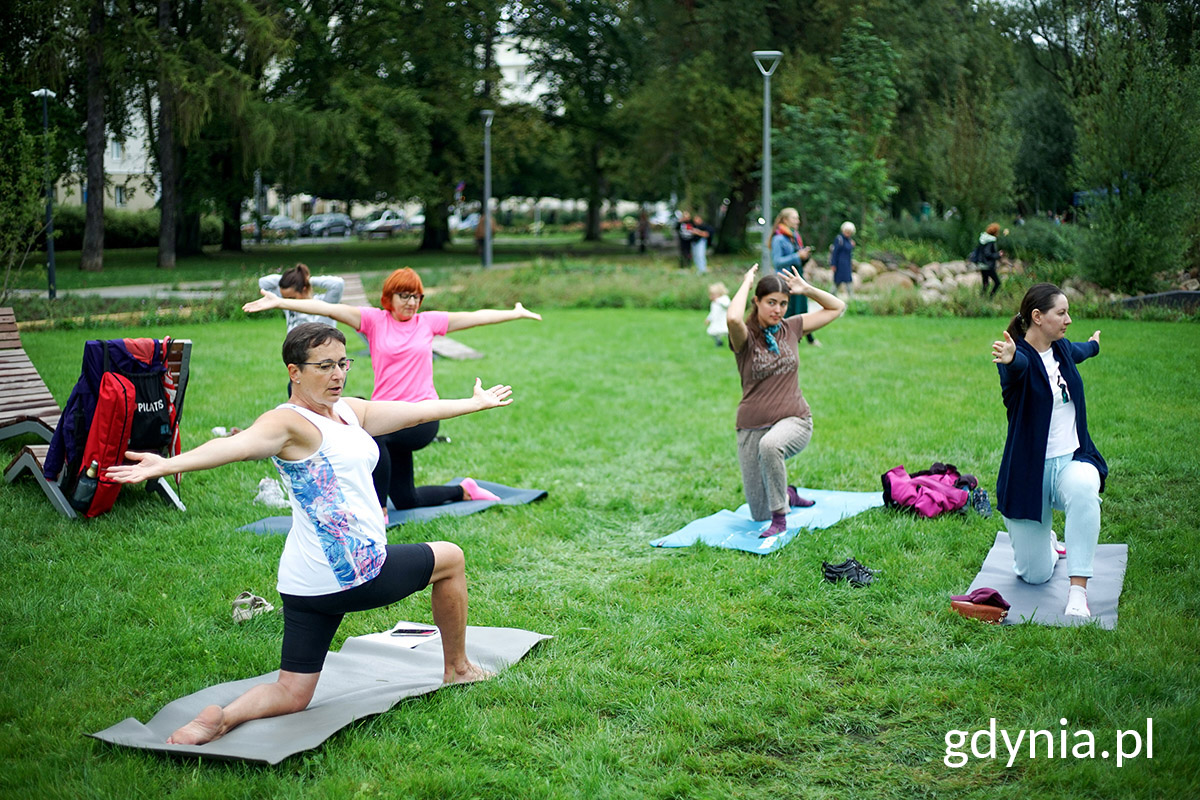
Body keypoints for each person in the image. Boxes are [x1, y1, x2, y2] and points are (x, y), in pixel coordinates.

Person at [107, 323, 510, 745]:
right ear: (294, 372)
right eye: (324, 366)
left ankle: (221, 718)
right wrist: (167, 465)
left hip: (303, 584)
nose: (337, 374)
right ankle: (458, 669)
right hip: (356, 573)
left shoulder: (351, 412)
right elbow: (238, 446)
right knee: (451, 558)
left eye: (342, 363)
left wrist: (473, 403)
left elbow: (417, 412)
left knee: (292, 692)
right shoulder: (287, 422)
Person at [243, 267, 541, 517]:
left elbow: (474, 316)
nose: (412, 302)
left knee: (372, 434)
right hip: (387, 414)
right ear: (390, 297)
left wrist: (513, 313)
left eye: (416, 296)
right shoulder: (373, 321)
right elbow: (327, 308)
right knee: (408, 499)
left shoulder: (428, 322)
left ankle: (378, 511)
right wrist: (282, 303)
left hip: (422, 418)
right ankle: (464, 490)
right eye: (405, 296)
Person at [991, 283, 1105, 618]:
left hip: (1071, 463)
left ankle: (1078, 592)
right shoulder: (1019, 359)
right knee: (1034, 575)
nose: (1068, 319)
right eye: (1062, 312)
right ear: (1038, 317)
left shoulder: (1063, 350)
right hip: (1028, 474)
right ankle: (1050, 545)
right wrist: (1011, 360)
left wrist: (1095, 345)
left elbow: (1081, 350)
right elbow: (1018, 369)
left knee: (1086, 486)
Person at [727, 263, 846, 537]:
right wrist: (746, 281)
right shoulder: (745, 338)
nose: (778, 310)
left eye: (783, 303)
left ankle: (780, 518)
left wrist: (806, 289)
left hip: (795, 419)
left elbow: (837, 307)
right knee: (758, 512)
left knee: (771, 446)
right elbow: (733, 319)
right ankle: (787, 493)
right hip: (751, 426)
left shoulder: (792, 328)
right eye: (771, 303)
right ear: (757, 302)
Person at [770, 207, 819, 346]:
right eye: (794, 218)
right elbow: (777, 262)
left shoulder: (794, 236)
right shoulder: (778, 238)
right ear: (785, 220)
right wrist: (797, 256)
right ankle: (781, 339)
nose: (798, 221)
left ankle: (808, 338)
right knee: (788, 311)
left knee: (802, 308)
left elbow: (797, 259)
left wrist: (804, 256)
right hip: (786, 280)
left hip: (797, 277)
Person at [258, 264, 345, 332]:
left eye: (292, 297)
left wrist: (307, 281)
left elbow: (338, 284)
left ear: (304, 289)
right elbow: (263, 282)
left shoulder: (326, 303)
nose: (287, 301)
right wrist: (291, 278)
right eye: (285, 298)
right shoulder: (287, 304)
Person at [973, 222, 1007, 297]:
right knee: (997, 283)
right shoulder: (990, 241)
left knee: (985, 283)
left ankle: (982, 298)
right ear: (995, 232)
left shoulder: (983, 239)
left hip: (981, 264)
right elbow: (987, 254)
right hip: (988, 265)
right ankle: (990, 298)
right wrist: (998, 255)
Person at [830, 221, 856, 299]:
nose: (848, 233)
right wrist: (833, 264)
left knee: (848, 281)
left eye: (849, 232)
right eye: (846, 231)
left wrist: (852, 246)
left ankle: (852, 298)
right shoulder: (839, 239)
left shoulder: (849, 240)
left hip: (847, 264)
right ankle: (831, 296)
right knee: (837, 282)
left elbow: (849, 252)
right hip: (839, 264)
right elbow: (835, 252)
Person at [704, 282, 730, 347]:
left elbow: (727, 305)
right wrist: (708, 318)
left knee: (727, 332)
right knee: (711, 332)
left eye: (713, 295)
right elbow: (712, 312)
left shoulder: (724, 298)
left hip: (723, 320)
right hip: (716, 321)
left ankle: (732, 342)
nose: (711, 296)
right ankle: (719, 341)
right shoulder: (713, 303)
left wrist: (718, 301)